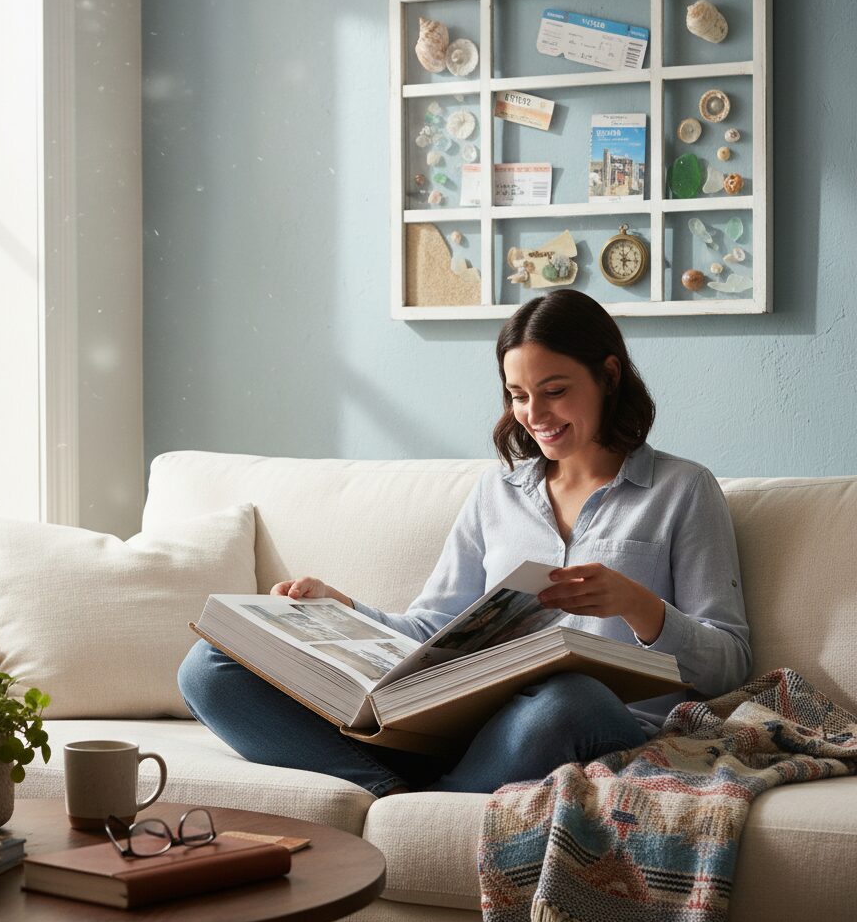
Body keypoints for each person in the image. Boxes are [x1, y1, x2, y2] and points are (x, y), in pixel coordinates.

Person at [179, 289, 750, 795]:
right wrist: (343, 609)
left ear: (608, 375)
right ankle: (392, 793)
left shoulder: (682, 490)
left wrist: (637, 605)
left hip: (589, 723)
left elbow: (731, 663)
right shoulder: (495, 494)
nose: (534, 415)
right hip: (470, 729)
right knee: (208, 667)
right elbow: (434, 633)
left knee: (571, 696)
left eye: (554, 391)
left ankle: (437, 797)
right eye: (518, 395)